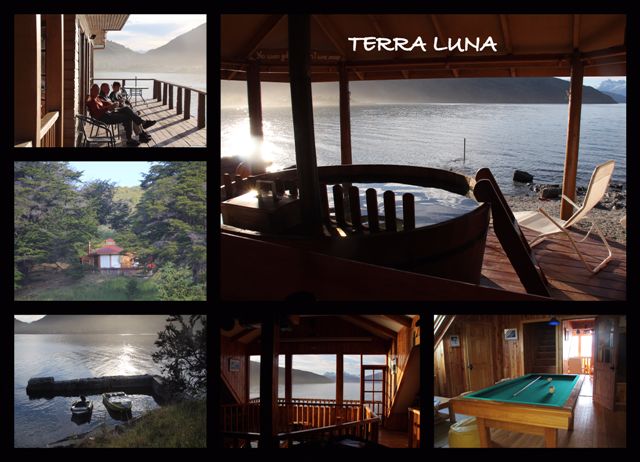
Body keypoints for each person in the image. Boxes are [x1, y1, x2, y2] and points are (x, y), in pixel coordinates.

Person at [86, 84, 155, 147]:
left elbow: (104, 102)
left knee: (126, 109)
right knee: (128, 116)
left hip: (108, 114)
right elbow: (97, 112)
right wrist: (108, 108)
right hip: (104, 118)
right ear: (91, 90)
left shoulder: (96, 98)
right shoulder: (91, 100)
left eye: (98, 90)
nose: (97, 92)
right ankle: (137, 130)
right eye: (95, 90)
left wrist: (112, 104)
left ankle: (141, 126)